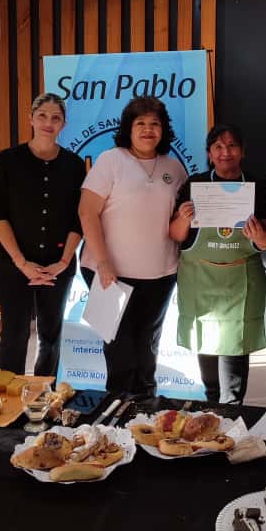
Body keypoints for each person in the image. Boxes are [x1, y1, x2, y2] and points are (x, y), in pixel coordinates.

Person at [79, 95, 186, 397]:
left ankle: (146, 410)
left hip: (160, 274)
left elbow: (179, 222)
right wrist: (103, 262)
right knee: (120, 350)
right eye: (140, 123)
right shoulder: (111, 160)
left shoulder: (174, 168)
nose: (148, 130)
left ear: (163, 129)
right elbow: (87, 213)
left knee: (147, 347)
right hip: (110, 273)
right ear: (129, 128)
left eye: (155, 123)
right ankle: (118, 411)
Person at [170, 124, 266, 404]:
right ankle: (211, 407)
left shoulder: (258, 187)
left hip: (240, 282)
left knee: (234, 351)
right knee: (205, 344)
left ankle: (232, 411)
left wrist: (261, 236)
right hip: (200, 280)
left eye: (231, 146)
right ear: (209, 153)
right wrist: (183, 218)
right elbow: (176, 235)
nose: (225, 152)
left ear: (242, 151)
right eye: (218, 146)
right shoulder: (195, 186)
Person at [0, 93, 85, 376]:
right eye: (42, 115)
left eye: (56, 118)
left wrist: (63, 262)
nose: (48, 122)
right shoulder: (8, 160)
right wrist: (21, 262)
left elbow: (78, 219)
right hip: (13, 264)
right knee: (14, 336)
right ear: (31, 119)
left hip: (58, 264)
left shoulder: (74, 164)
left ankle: (46, 396)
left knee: (50, 337)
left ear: (63, 124)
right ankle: (8, 397)